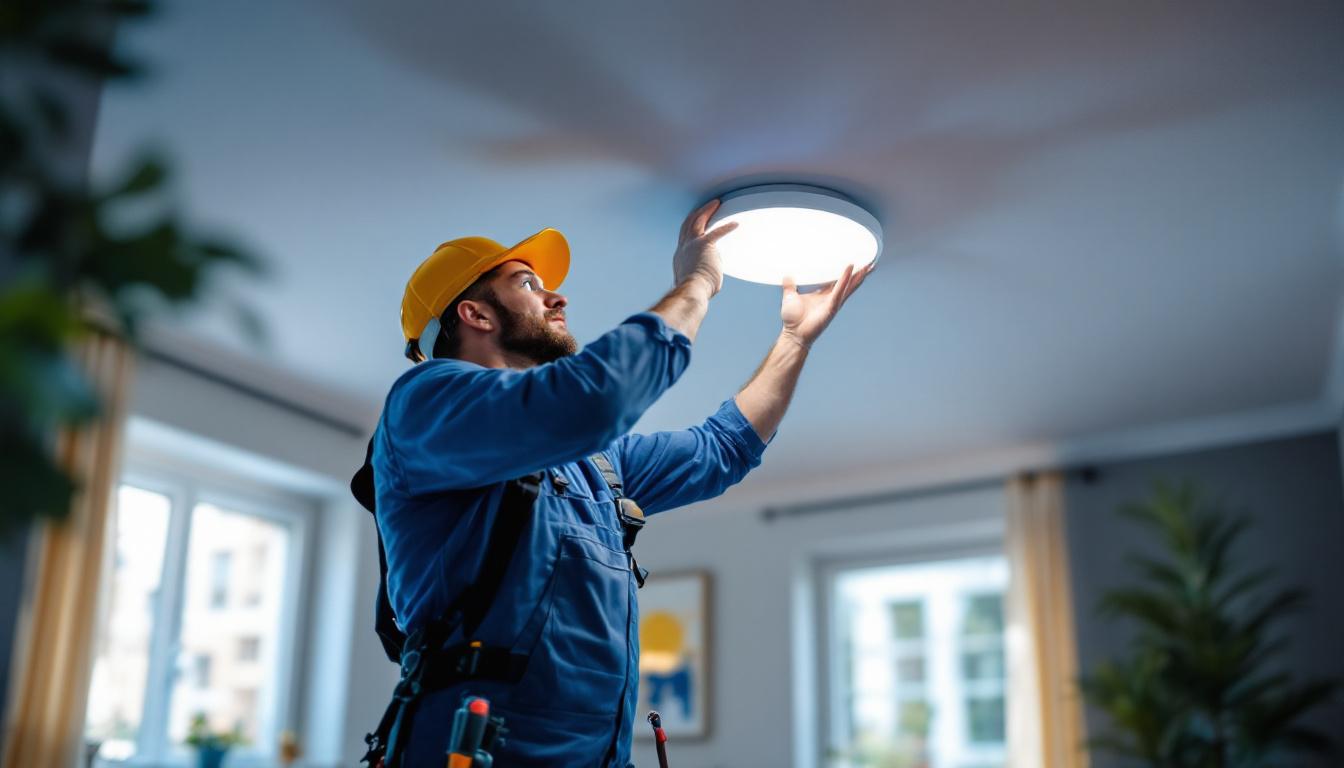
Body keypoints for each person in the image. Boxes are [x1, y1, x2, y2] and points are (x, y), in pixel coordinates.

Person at [366, 199, 872, 766]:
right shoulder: (427, 403)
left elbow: (722, 450)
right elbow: (594, 398)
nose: (557, 297)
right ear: (475, 315)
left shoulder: (592, 464)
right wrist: (699, 280)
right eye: (528, 283)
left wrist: (794, 342)